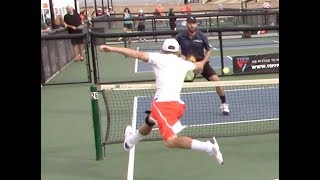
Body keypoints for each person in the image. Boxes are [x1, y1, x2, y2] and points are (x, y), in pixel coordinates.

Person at [98, 38, 224, 165]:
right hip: (177, 106)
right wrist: (200, 64)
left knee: (170, 141)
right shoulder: (183, 63)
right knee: (150, 120)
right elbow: (199, 66)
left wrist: (112, 49)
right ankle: (130, 142)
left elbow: (135, 54)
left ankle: (208, 147)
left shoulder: (157, 57)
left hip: (164, 106)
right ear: (177, 51)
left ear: (162, 50)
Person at [176, 16, 230, 115]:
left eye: (194, 23)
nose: (192, 25)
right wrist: (181, 55)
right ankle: (173, 106)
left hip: (201, 63)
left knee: (217, 81)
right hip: (186, 65)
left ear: (196, 24)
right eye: (190, 23)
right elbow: (174, 49)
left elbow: (208, 50)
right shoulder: (180, 36)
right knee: (175, 85)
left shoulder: (202, 36)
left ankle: (224, 104)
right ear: (187, 24)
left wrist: (202, 63)